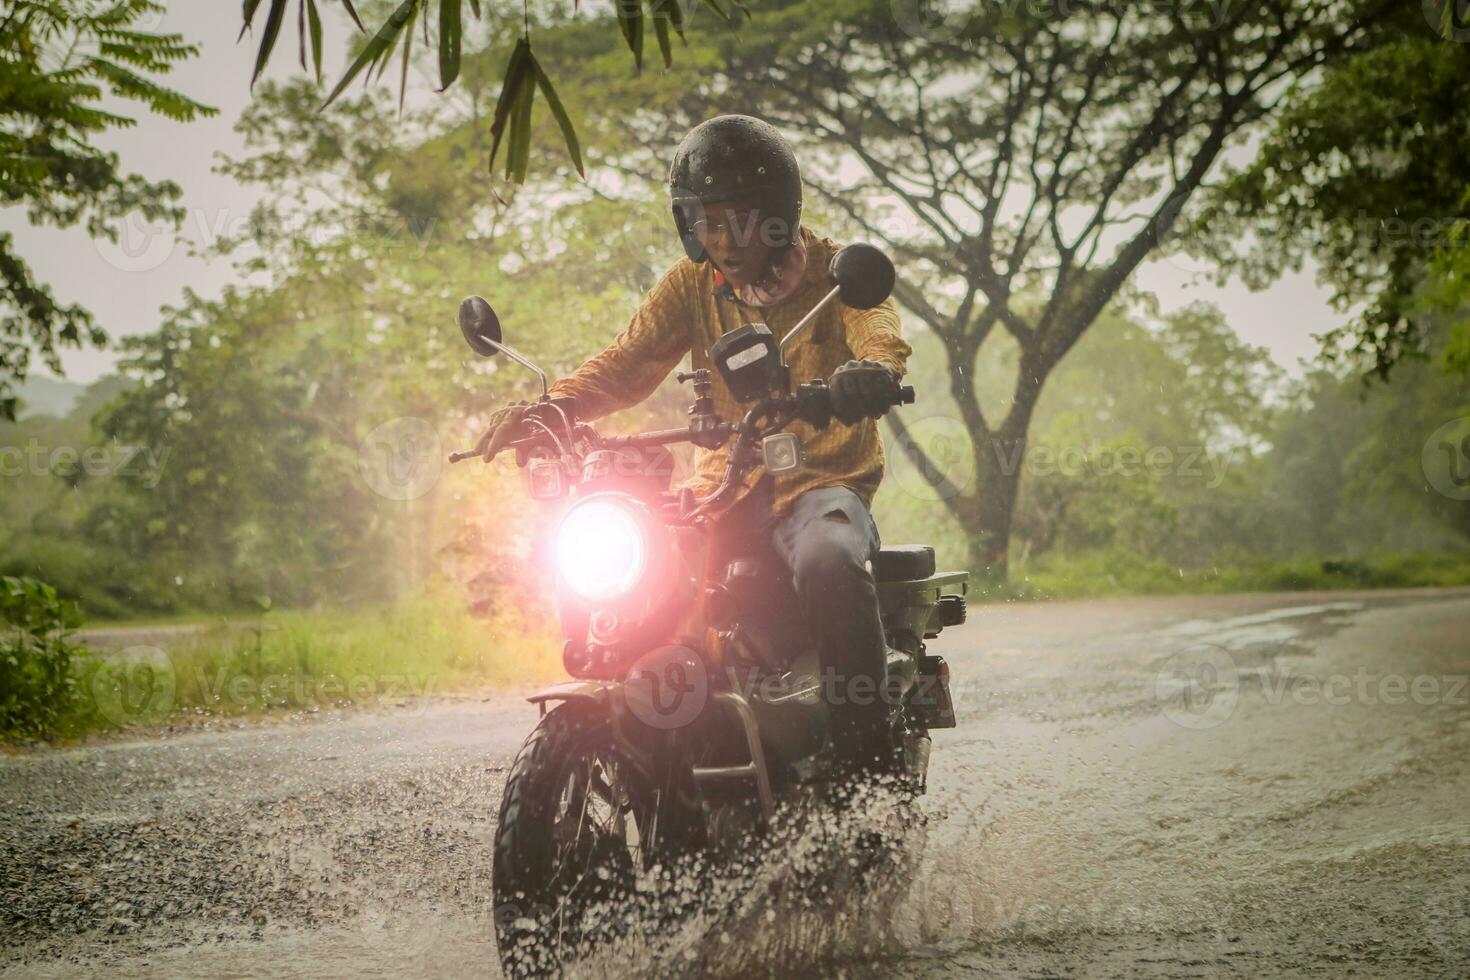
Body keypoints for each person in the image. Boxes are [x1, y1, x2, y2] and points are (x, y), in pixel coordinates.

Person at [482, 114, 912, 773]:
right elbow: (628, 362)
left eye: (741, 220)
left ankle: (866, 773)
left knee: (829, 558)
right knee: (641, 558)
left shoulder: (834, 276)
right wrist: (552, 408)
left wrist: (868, 376)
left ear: (775, 216)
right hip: (722, 486)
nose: (726, 238)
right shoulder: (691, 287)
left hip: (820, 485)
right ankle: (661, 731)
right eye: (708, 221)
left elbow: (879, 333)